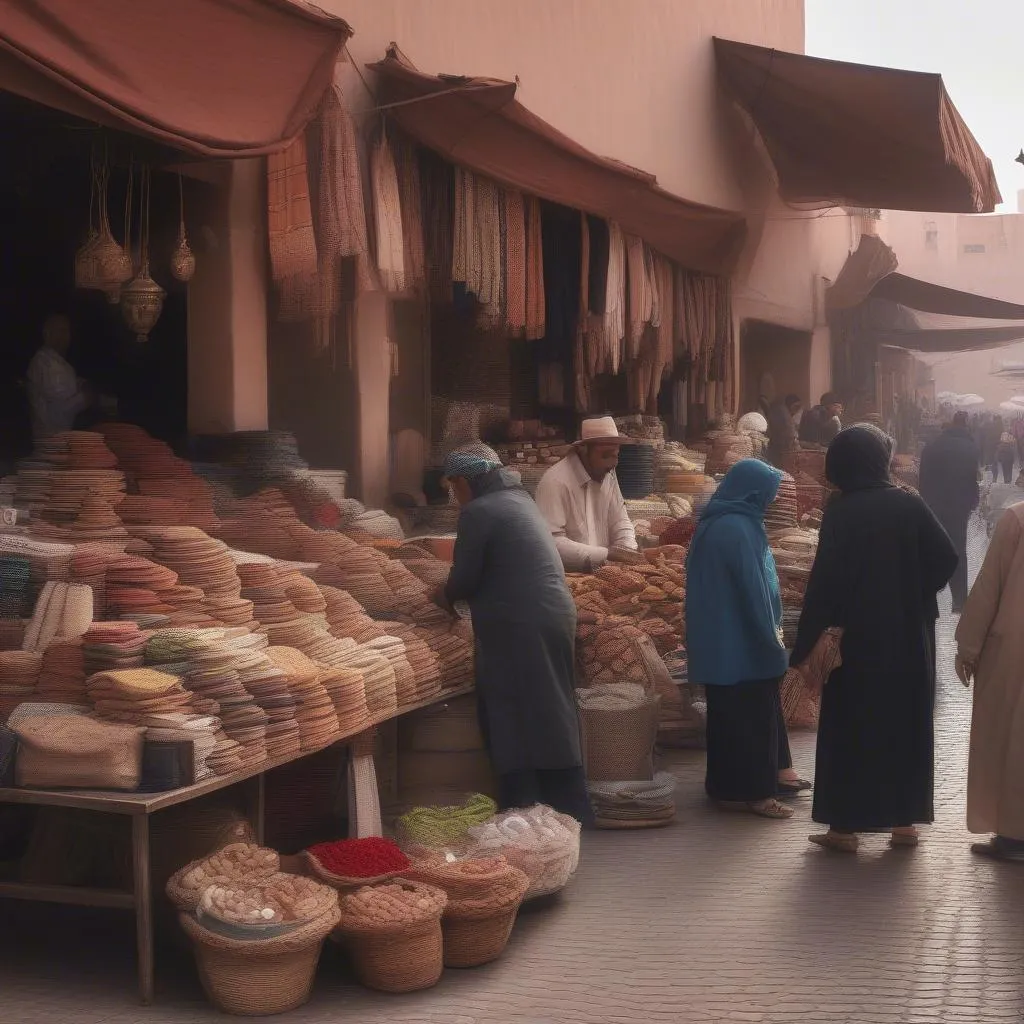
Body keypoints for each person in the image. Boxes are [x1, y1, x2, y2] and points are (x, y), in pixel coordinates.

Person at [793, 425, 957, 853]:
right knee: (904, 726)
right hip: (906, 635)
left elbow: (823, 583)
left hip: (856, 641)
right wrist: (914, 589)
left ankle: (843, 830)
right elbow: (947, 557)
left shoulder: (841, 511)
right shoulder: (908, 503)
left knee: (851, 729)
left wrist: (804, 644)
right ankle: (904, 825)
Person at [437, 445, 592, 825]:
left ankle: (525, 805)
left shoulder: (479, 511)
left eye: (455, 486)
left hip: (519, 622)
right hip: (550, 614)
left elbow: (466, 576)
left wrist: (439, 595)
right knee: (549, 705)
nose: (455, 496)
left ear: (466, 481)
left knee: (511, 709)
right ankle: (568, 806)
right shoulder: (518, 500)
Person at [685, 459, 804, 820]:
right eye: (768, 494)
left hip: (718, 640)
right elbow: (756, 588)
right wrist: (770, 636)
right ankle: (757, 794)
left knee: (728, 717)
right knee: (753, 718)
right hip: (742, 641)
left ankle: (726, 789)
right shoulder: (739, 529)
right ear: (754, 493)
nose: (770, 502)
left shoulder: (717, 523)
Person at [956, 502, 1024, 861]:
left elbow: (990, 585)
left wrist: (968, 647)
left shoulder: (1017, 518)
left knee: (1011, 740)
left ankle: (1015, 834)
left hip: (1014, 651)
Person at [535, 415, 641, 572]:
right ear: (583, 450)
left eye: (616, 455)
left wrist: (626, 551)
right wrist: (608, 554)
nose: (612, 463)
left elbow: (620, 520)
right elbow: (551, 543)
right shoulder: (555, 481)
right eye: (605, 455)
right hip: (569, 577)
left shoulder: (608, 473)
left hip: (608, 573)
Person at [918, 411, 980, 613]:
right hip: (959, 506)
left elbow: (923, 477)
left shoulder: (932, 446)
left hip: (933, 505)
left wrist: (923, 502)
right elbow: (972, 478)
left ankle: (927, 594)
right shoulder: (971, 448)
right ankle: (960, 600)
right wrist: (972, 501)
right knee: (958, 550)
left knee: (931, 547)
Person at [25, 314, 90, 439]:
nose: (65, 336)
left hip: (61, 438)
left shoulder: (57, 361)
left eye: (67, 331)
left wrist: (84, 385)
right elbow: (62, 408)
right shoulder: (44, 363)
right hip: (52, 440)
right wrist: (87, 396)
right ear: (46, 334)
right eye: (60, 331)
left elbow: (71, 384)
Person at [766, 394, 802, 466]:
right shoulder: (783, 416)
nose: (797, 410)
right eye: (796, 406)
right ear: (790, 405)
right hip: (782, 451)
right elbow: (788, 436)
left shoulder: (788, 416)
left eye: (799, 407)